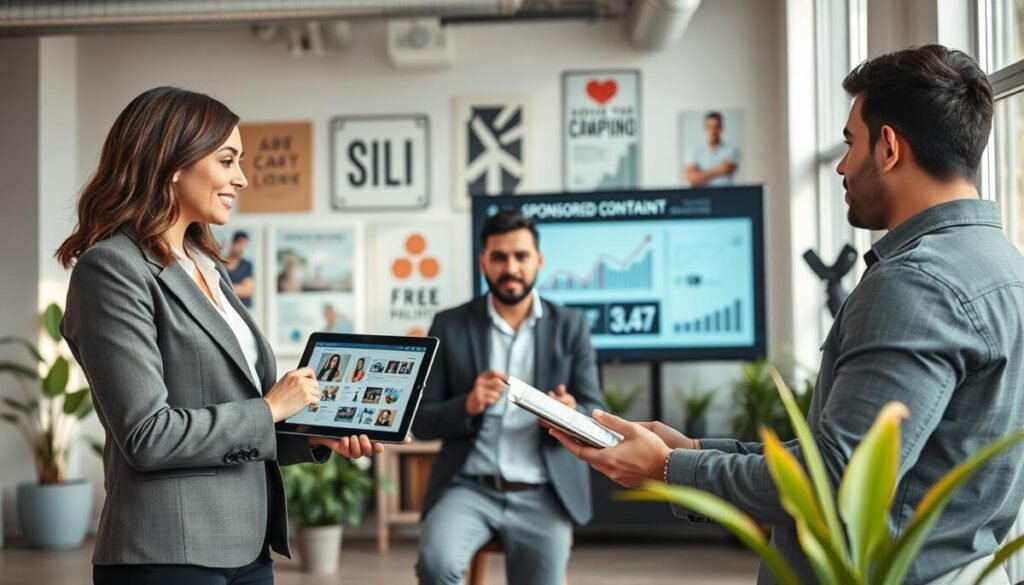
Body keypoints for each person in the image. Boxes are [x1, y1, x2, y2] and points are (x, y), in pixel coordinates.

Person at [554, 45, 1024, 585]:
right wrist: (694, 451)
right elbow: (859, 453)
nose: (843, 165)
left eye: (851, 144)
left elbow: (836, 481)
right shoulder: (1005, 267)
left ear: (889, 146)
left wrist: (665, 468)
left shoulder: (915, 284)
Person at [56, 87, 386, 585]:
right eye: (227, 160)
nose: (242, 178)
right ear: (173, 163)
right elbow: (148, 436)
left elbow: (233, 411)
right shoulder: (112, 269)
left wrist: (312, 435)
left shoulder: (209, 266)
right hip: (167, 553)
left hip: (249, 545)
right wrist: (272, 408)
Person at [412, 210, 605, 585]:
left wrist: (572, 413)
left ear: (539, 260)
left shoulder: (571, 326)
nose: (510, 267)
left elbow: (596, 412)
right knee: (436, 565)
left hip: (544, 491)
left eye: (521, 256)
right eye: (499, 257)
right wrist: (466, 405)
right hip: (467, 487)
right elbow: (421, 421)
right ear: (483, 261)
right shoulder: (449, 325)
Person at [684, 111, 740, 187]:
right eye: (709, 127)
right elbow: (692, 179)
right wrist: (720, 169)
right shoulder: (694, 150)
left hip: (725, 195)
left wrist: (700, 174)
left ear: (721, 128)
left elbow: (728, 168)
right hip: (702, 196)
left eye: (716, 127)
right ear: (704, 128)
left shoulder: (731, 149)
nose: (713, 131)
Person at [224, 231, 254, 308]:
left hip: (244, 309)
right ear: (232, 243)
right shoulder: (220, 263)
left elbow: (247, 290)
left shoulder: (247, 265)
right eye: (239, 244)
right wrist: (238, 288)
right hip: (226, 308)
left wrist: (224, 287)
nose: (241, 248)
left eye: (245, 245)